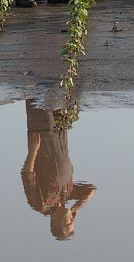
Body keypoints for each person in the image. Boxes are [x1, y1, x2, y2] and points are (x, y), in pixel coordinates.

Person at [21, 99, 96, 240]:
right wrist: (75, 209)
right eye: (72, 222)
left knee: (38, 93)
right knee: (56, 92)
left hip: (41, 132)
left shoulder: (40, 204)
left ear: (56, 223)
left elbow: (27, 175)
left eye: (68, 223)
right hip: (60, 131)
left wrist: (32, 152)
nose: (72, 220)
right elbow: (91, 190)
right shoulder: (67, 195)